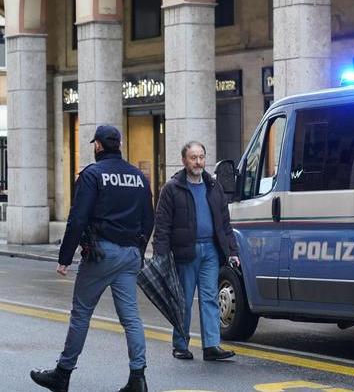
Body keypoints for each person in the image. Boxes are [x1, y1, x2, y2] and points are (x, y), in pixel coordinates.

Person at [30, 125, 154, 392]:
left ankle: (62, 374)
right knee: (131, 318)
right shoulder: (138, 177)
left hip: (101, 253)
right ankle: (138, 378)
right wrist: (138, 251)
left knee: (81, 314)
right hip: (130, 254)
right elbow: (149, 218)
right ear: (119, 144)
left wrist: (64, 256)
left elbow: (78, 218)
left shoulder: (92, 174)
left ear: (98, 146)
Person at [153, 141, 240, 361]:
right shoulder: (172, 188)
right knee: (183, 300)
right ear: (184, 160)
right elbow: (162, 225)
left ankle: (211, 346)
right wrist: (160, 255)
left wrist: (232, 251)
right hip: (185, 251)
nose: (198, 162)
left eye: (201, 157)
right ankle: (180, 345)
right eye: (193, 157)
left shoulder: (213, 186)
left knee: (210, 298)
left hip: (211, 250)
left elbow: (225, 223)